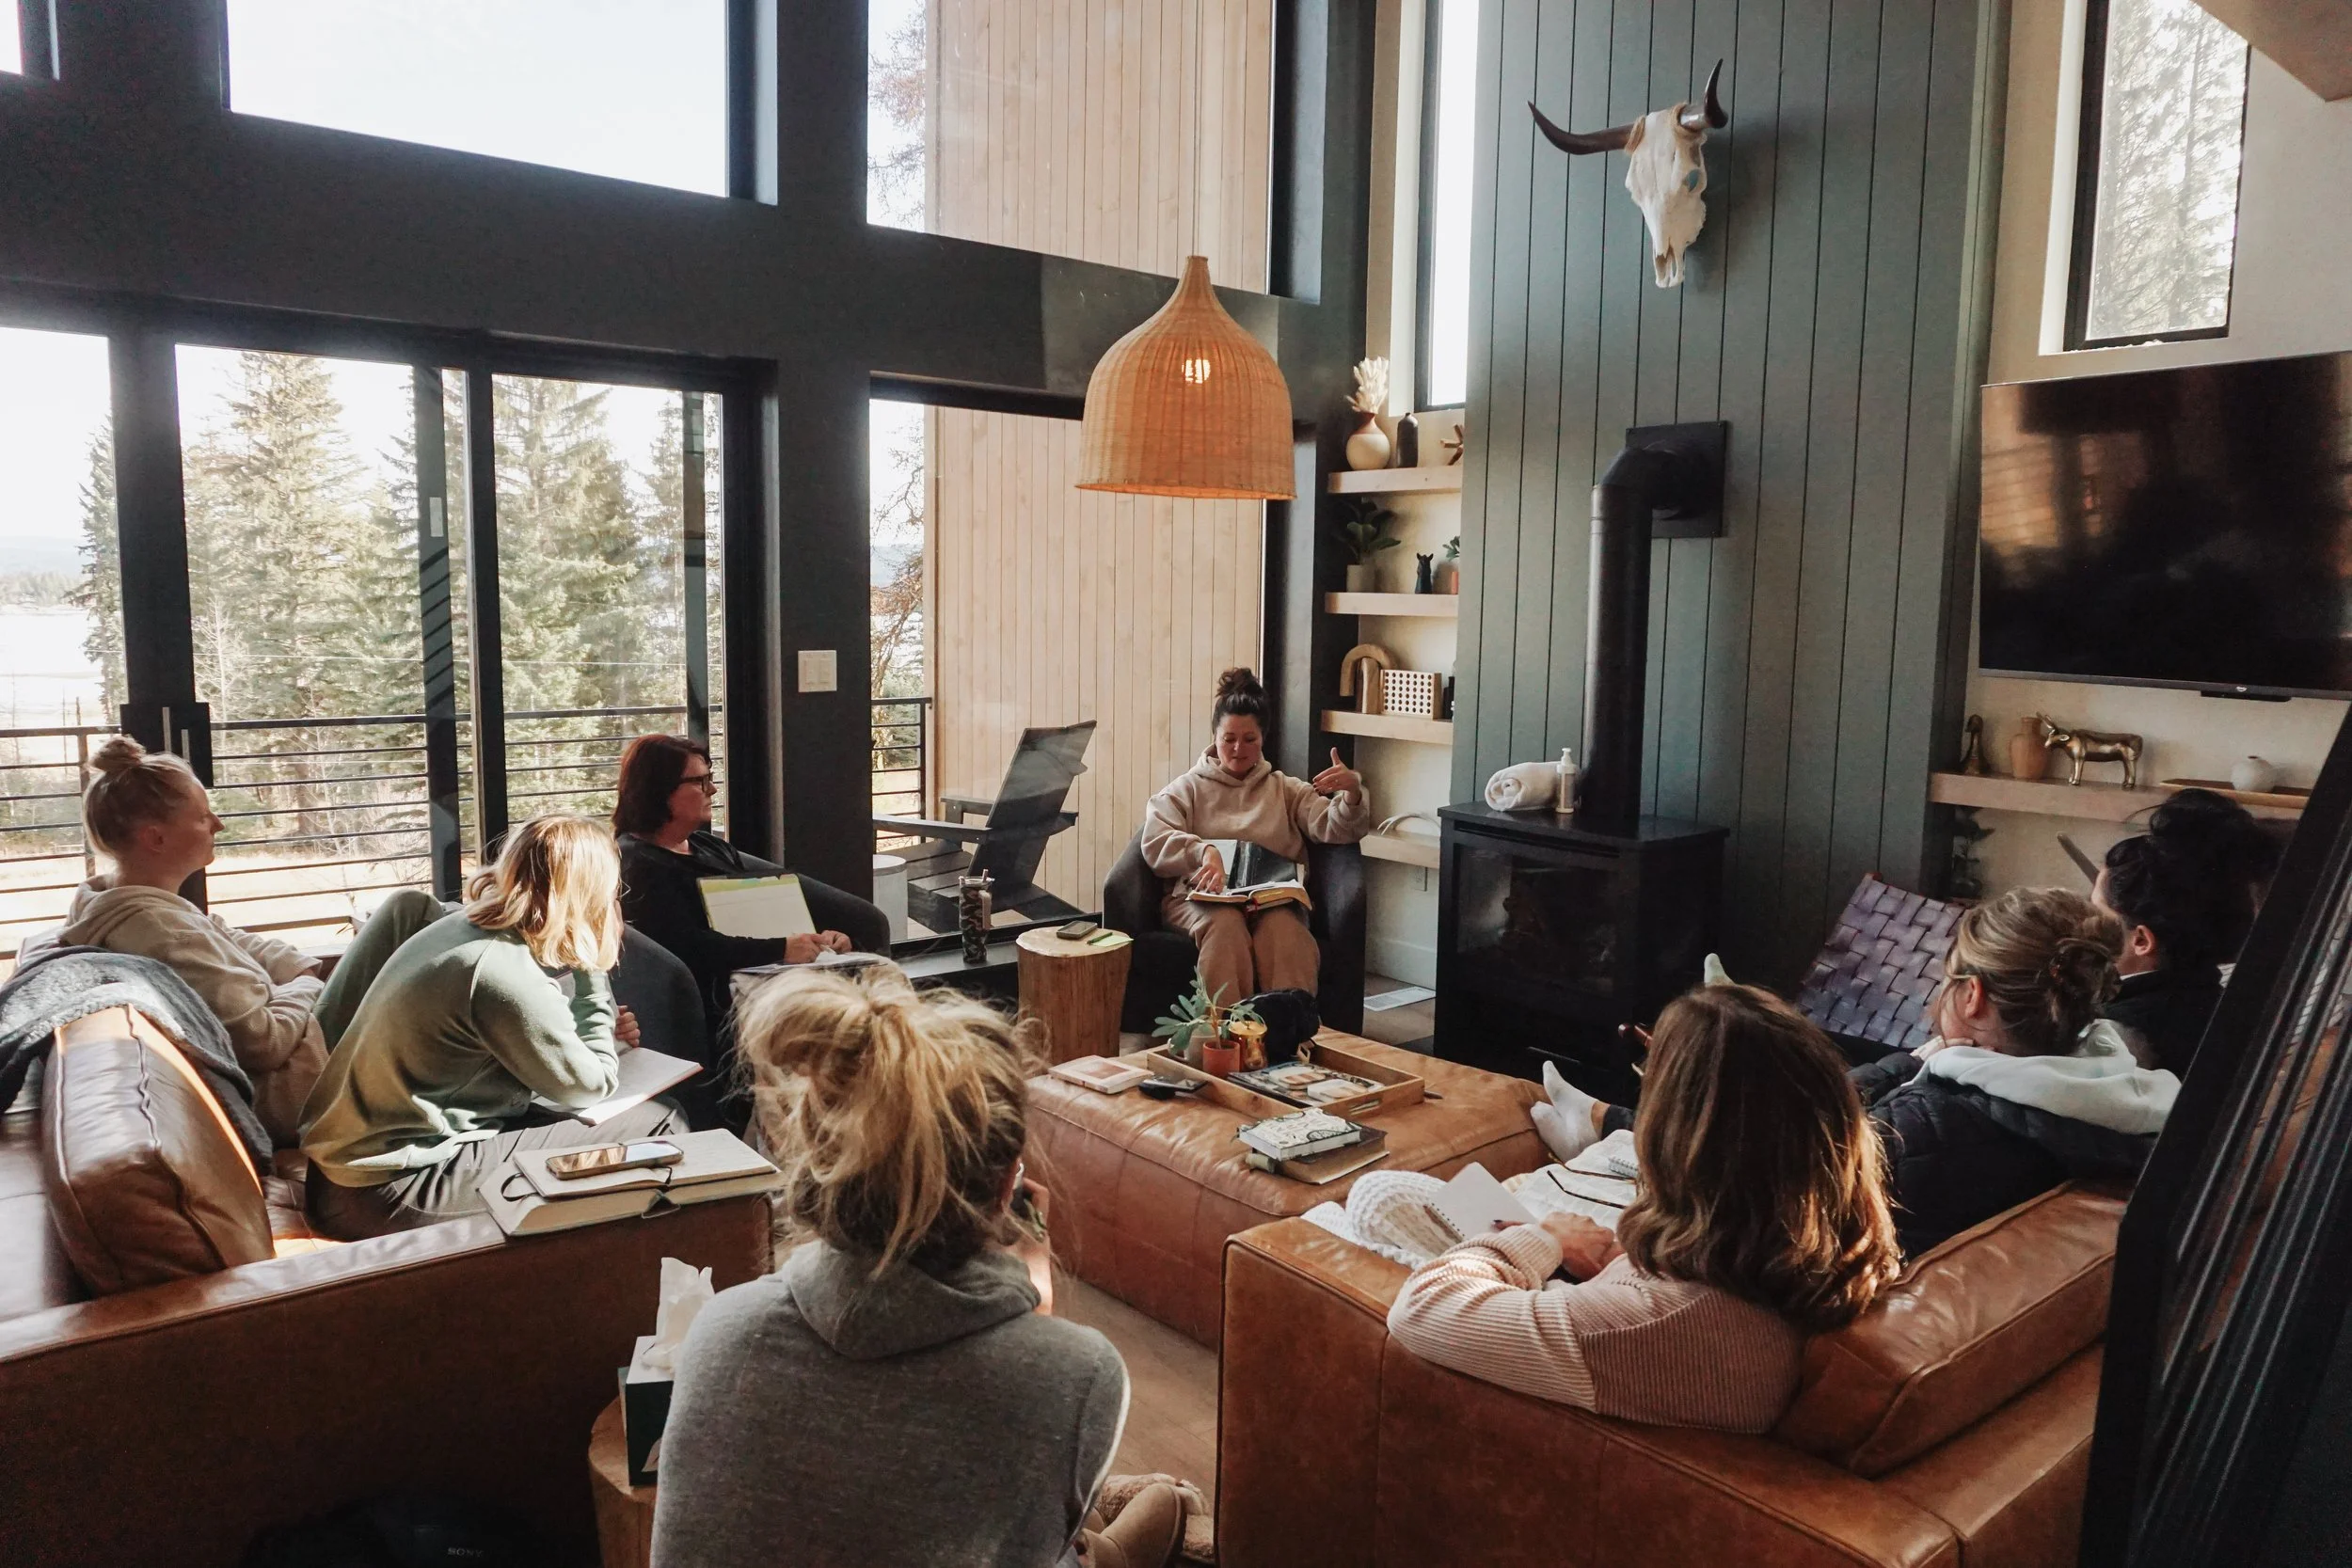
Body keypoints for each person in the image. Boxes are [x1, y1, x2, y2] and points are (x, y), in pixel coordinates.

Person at [651, 963, 1182, 1568]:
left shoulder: (722, 1331)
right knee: (1138, 1514)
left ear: (821, 1165)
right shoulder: (1079, 1375)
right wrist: (1031, 1284)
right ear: (1010, 1187)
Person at [1388, 984, 1902, 1432]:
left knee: (1374, 1200)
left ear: (1681, 1140)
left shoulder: (1653, 1324)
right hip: (1609, 1303)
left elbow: (1421, 1310)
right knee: (1400, 1196)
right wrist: (1616, 1264)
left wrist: (1547, 1241)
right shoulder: (1821, 1258)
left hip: (1554, 1324)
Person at [23, 736, 443, 1145]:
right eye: (203, 816)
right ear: (156, 838)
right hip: (301, 1082)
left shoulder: (119, 899)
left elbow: (227, 934)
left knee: (417, 923)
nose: (218, 825)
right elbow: (264, 1041)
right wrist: (306, 985)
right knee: (410, 911)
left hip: (299, 1037)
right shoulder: (161, 933)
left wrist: (294, 967)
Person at [300, 815, 682, 1240]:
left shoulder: (464, 929)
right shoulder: (501, 972)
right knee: (662, 1121)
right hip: (391, 1189)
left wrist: (590, 1032)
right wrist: (593, 962)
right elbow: (589, 1087)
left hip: (352, 1171)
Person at [612, 735, 888, 1049]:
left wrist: (819, 939)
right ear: (659, 790)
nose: (712, 790)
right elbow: (688, 947)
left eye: (711, 779)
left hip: (771, 975)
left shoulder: (708, 845)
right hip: (723, 993)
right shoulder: (639, 863)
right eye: (699, 782)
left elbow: (761, 914)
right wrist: (781, 949)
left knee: (875, 992)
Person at [1138, 668, 1369, 1004]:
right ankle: (1227, 1041)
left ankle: (1291, 1040)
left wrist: (1351, 794)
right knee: (1225, 929)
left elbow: (1334, 828)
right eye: (1228, 738)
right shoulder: (1187, 789)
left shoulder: (1285, 789)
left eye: (1249, 739)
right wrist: (1202, 852)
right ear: (1214, 737)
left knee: (1286, 935)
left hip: (1272, 899)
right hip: (1203, 900)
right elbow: (1155, 838)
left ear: (1263, 740)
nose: (1237, 749)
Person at [2094, 787, 2280, 1074]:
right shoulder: (2221, 1011)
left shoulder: (2113, 1035)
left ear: (2141, 940)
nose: (2082, 922)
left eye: (2095, 912)